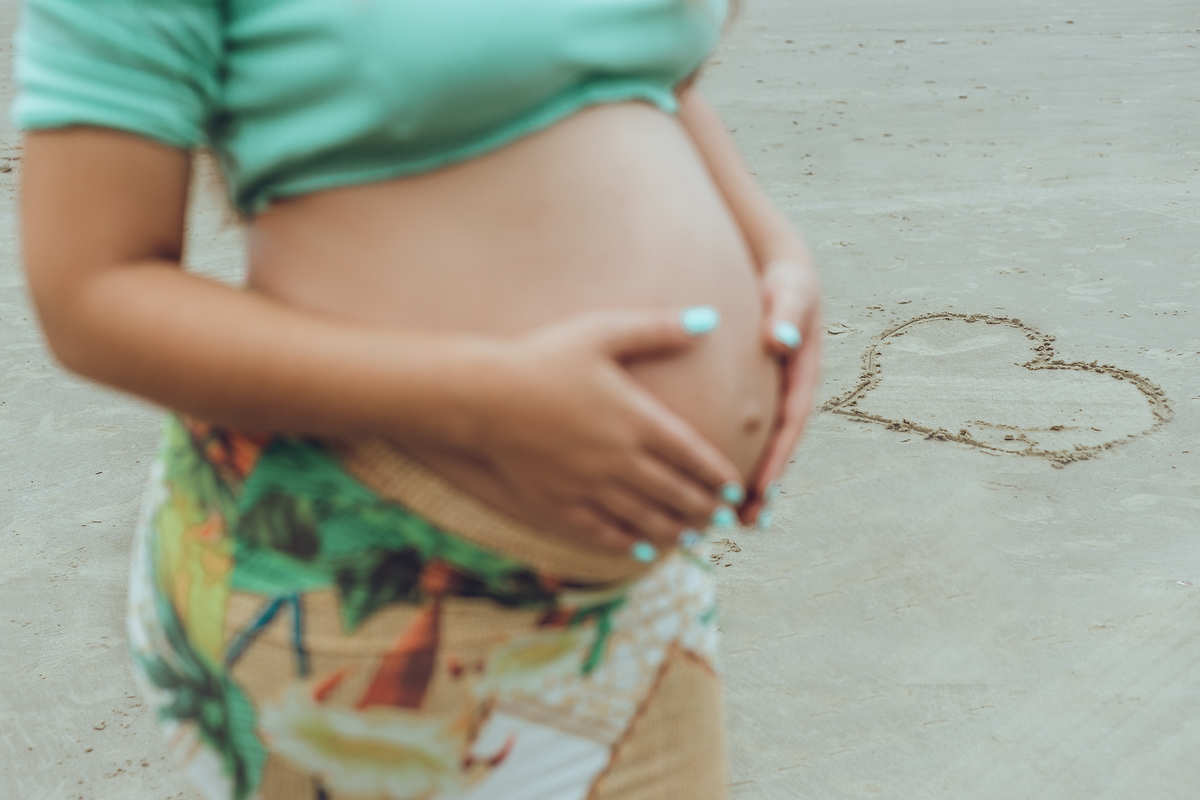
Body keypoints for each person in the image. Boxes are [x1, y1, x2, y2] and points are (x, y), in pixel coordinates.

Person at [14, 0, 822, 797]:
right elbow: (89, 293)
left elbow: (631, 64)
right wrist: (484, 400)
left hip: (634, 590)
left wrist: (768, 241)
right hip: (367, 584)